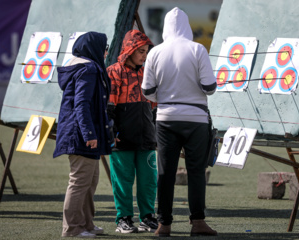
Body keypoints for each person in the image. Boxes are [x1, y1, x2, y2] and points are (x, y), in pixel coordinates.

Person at [142, 7, 218, 237]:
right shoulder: (197, 49)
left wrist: (164, 99)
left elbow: (147, 90)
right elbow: (210, 88)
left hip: (165, 120)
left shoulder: (155, 52)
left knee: (165, 173)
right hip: (196, 120)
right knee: (196, 172)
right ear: (186, 26)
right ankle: (198, 223)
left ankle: (164, 225)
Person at [53, 31, 113, 238]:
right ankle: (72, 228)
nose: (106, 52)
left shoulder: (83, 66)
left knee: (90, 181)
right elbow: (81, 104)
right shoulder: (88, 68)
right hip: (81, 135)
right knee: (80, 182)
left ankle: (86, 223)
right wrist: (89, 133)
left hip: (80, 133)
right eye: (104, 48)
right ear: (95, 49)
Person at [106, 29, 158, 234]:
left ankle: (147, 217)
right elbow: (110, 107)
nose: (145, 56)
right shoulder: (114, 72)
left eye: (146, 52)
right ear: (129, 50)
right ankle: (123, 219)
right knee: (122, 183)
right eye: (141, 51)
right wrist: (112, 133)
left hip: (146, 138)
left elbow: (153, 106)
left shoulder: (147, 73)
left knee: (148, 181)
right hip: (122, 139)